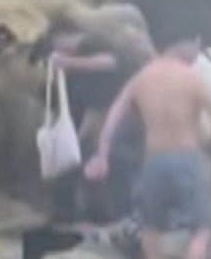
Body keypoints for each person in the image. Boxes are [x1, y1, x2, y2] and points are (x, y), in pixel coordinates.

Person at [84, 34, 211, 259]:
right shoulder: (192, 78)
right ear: (184, 44)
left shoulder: (142, 78)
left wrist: (102, 154)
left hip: (154, 161)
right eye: (196, 44)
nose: (198, 51)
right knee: (200, 229)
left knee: (152, 228)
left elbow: (114, 115)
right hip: (188, 157)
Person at [38, 20, 149, 224]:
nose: (60, 49)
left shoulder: (98, 43)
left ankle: (115, 214)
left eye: (60, 43)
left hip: (116, 121)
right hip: (95, 118)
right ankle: (79, 212)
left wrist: (69, 63)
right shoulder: (78, 58)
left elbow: (112, 61)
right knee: (80, 163)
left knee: (108, 164)